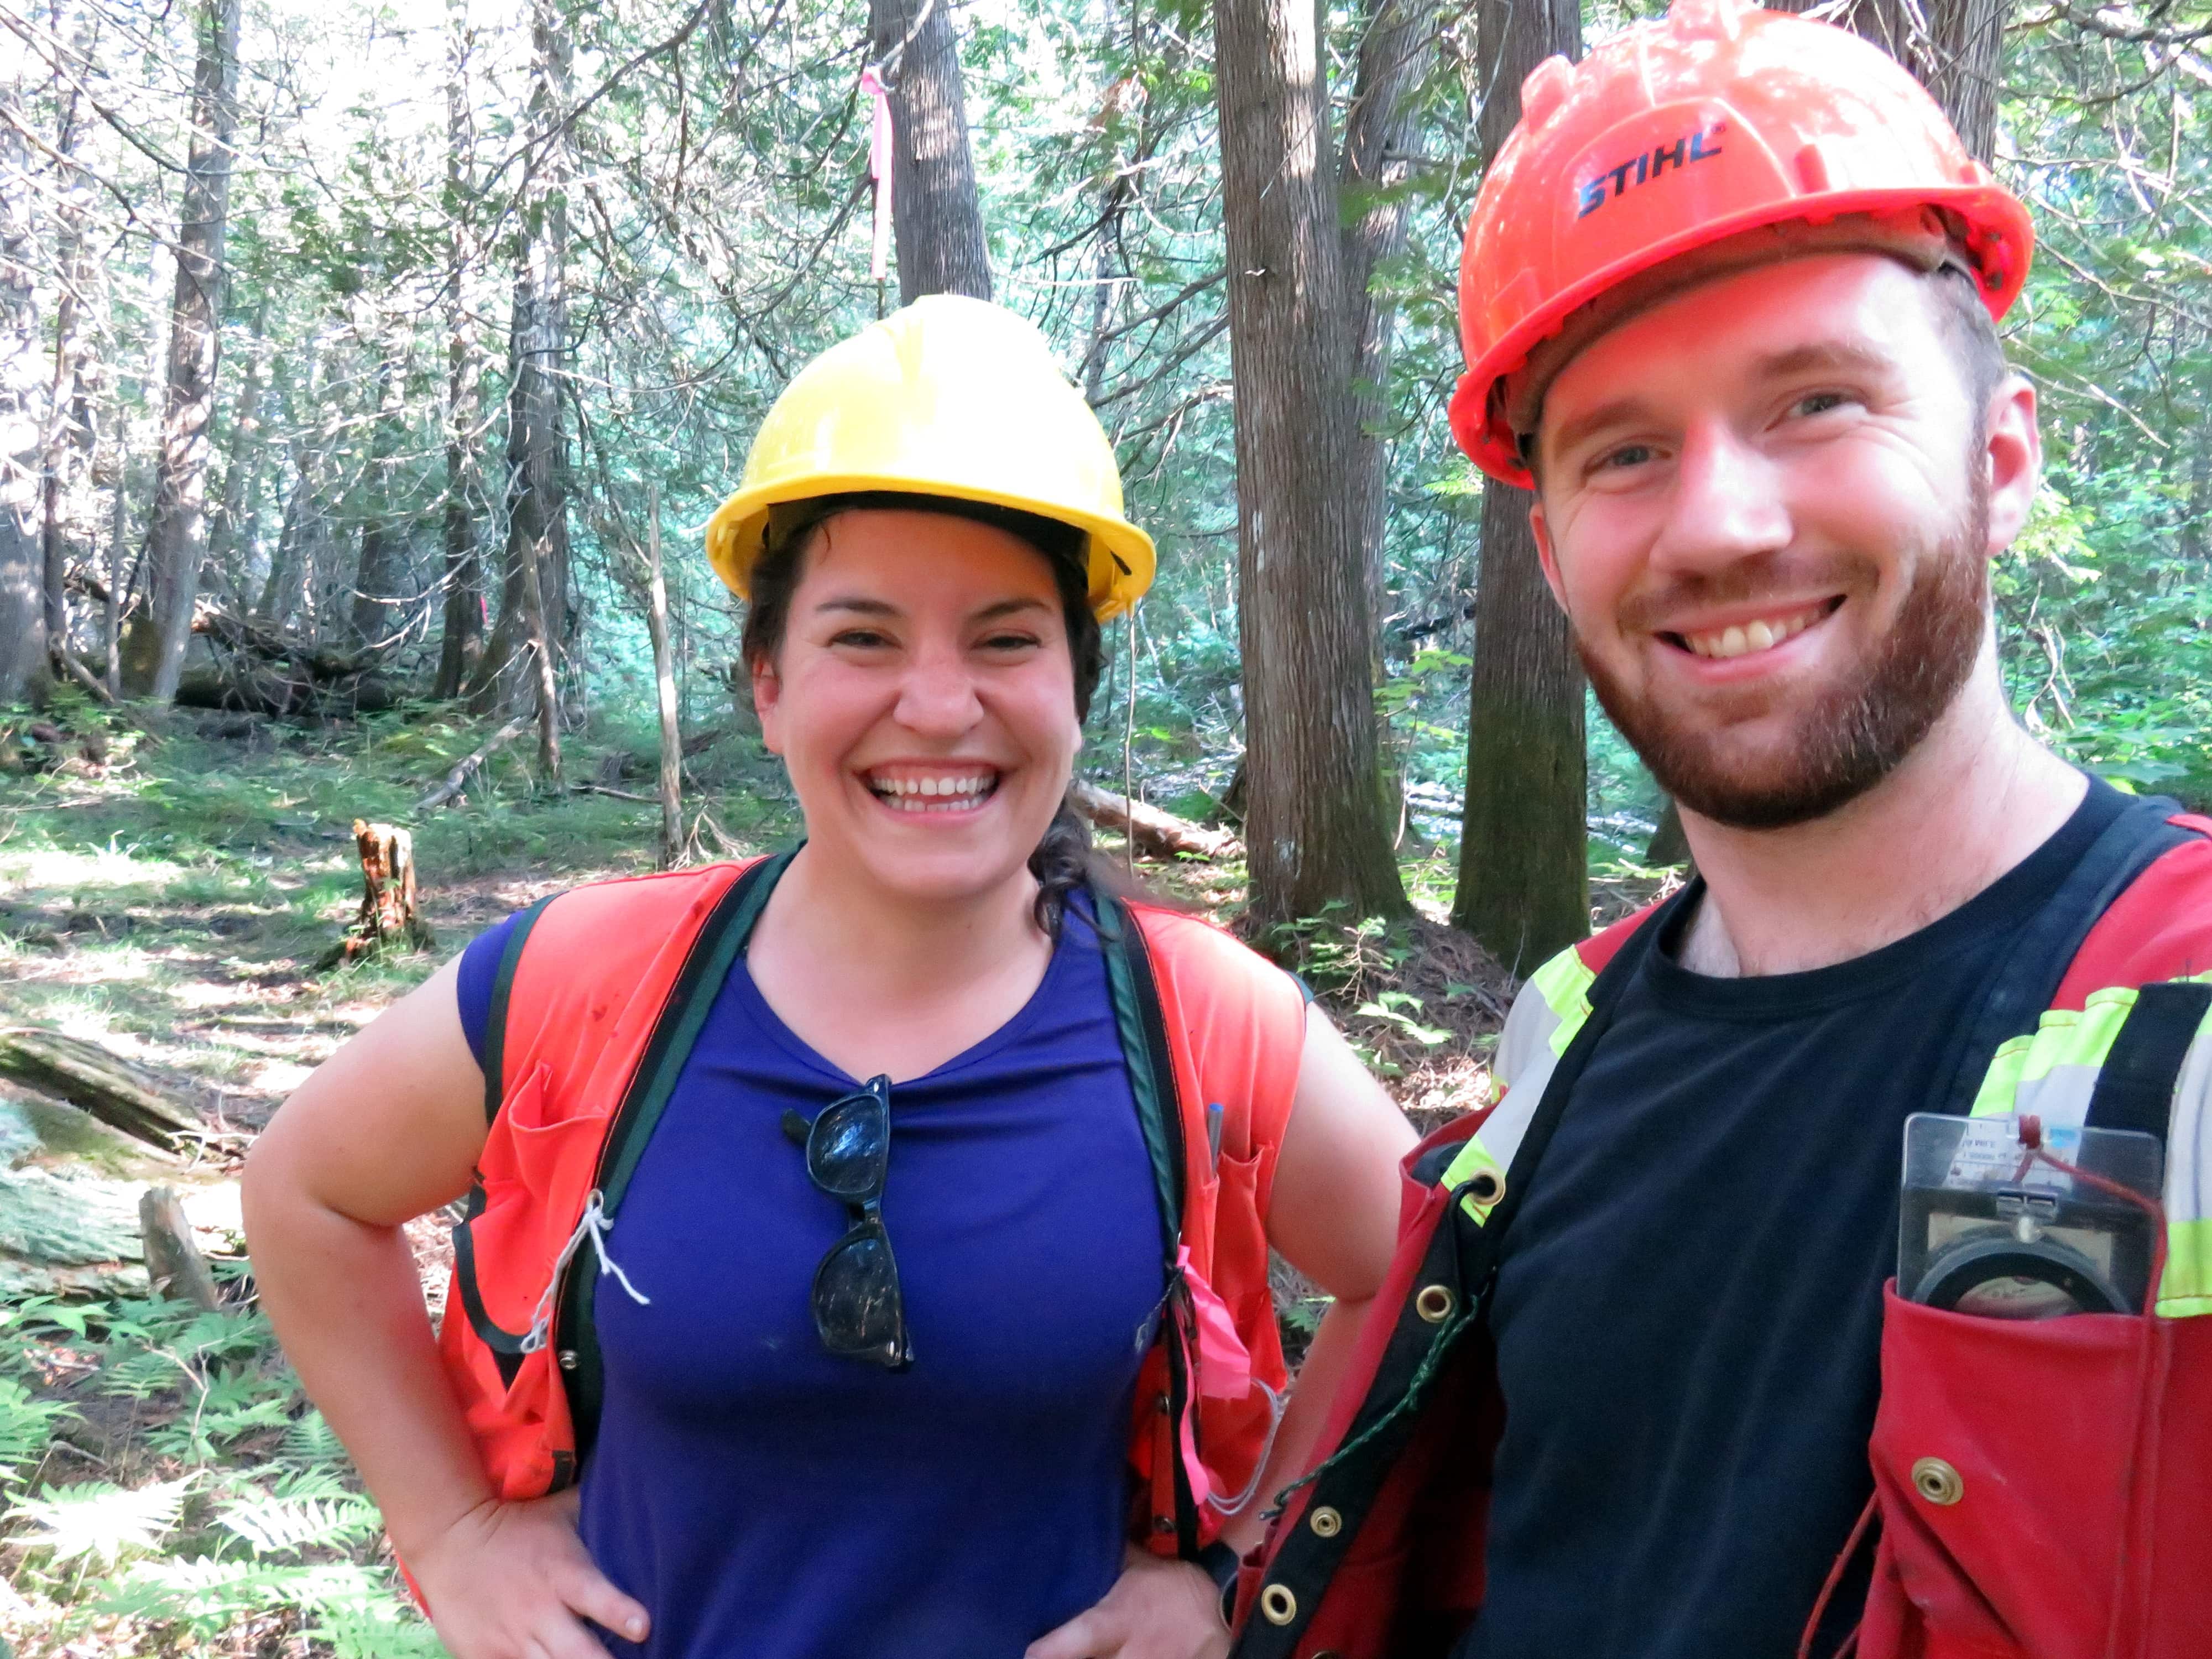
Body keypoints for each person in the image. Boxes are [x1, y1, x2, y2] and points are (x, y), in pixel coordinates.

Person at [1225, 5, 2212, 1659]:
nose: (1722, 523)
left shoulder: (2179, 1040)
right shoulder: (1567, 1035)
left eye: (1817, 402)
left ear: (2002, 454)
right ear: (1552, 559)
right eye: (1626, 451)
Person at [242, 295, 1417, 1659]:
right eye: (861, 637)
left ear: (1072, 687)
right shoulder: (588, 979)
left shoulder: (1204, 1022)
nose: (936, 704)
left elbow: (1421, 1289)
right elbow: (305, 1190)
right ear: (767, 684)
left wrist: (1237, 1565)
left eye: (1004, 638)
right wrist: (447, 1530)